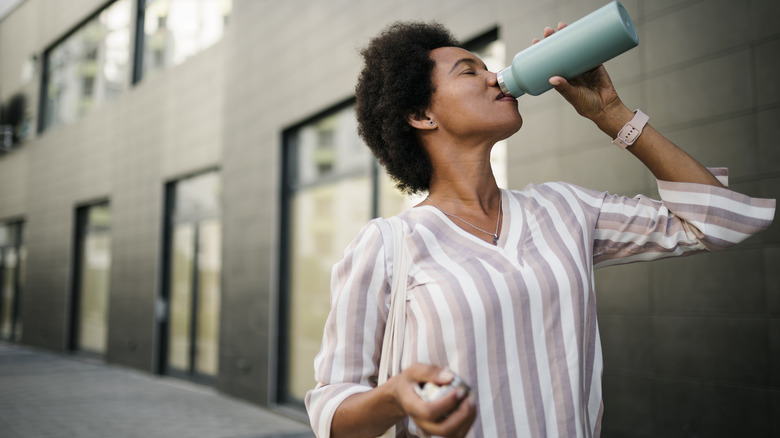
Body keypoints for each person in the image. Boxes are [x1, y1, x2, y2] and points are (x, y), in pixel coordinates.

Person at [305, 21, 775, 438]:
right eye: (469, 71)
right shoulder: (389, 245)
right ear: (422, 115)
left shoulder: (564, 209)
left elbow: (720, 221)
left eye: (488, 66)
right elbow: (331, 411)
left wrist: (611, 114)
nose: (494, 76)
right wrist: (394, 397)